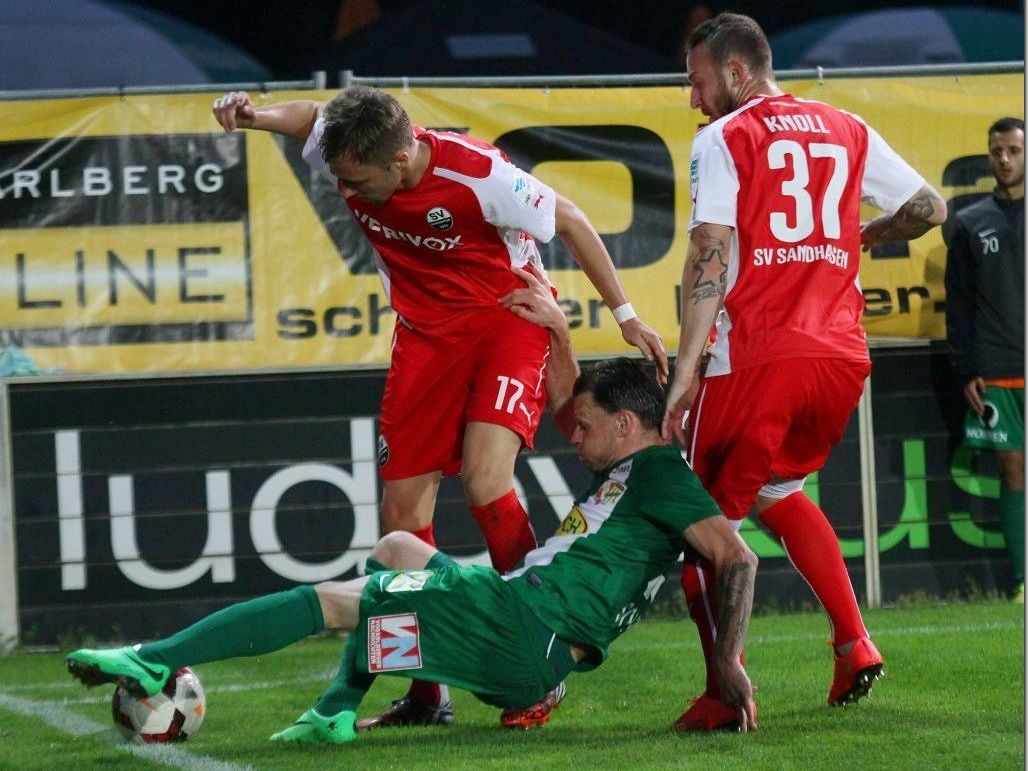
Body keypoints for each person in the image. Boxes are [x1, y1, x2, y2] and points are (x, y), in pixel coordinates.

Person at [65, 269, 758, 742]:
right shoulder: (634, 463)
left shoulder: (660, 470)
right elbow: (576, 403)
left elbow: (738, 558)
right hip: (521, 629)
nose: (571, 435)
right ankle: (337, 710)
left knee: (340, 599)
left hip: (517, 623)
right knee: (396, 551)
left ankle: (155, 659)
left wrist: (727, 663)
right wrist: (560, 333)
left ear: (627, 426)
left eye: (585, 427)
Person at [212, 85, 667, 725]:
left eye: (357, 178)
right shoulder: (349, 146)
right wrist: (256, 115)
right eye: (339, 172)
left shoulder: (479, 175)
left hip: (505, 320)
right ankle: (427, 694)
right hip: (425, 336)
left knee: (486, 479)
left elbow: (570, 219)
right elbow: (313, 118)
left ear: (398, 161)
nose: (346, 187)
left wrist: (625, 316)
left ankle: (539, 641)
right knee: (400, 522)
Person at [661, 12, 948, 730]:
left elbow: (710, 254)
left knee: (697, 523)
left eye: (697, 83)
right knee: (779, 488)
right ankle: (854, 642)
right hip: (839, 356)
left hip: (757, 353)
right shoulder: (844, 124)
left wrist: (685, 368)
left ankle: (722, 692)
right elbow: (929, 206)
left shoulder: (725, 137)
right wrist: (865, 234)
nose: (693, 99)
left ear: (734, 73)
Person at [944, 117, 1025, 604]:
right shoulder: (970, 223)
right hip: (997, 366)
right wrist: (965, 367)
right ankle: (1023, 582)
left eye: (1014, 149)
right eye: (997, 150)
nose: (1005, 159)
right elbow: (959, 304)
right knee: (1015, 473)